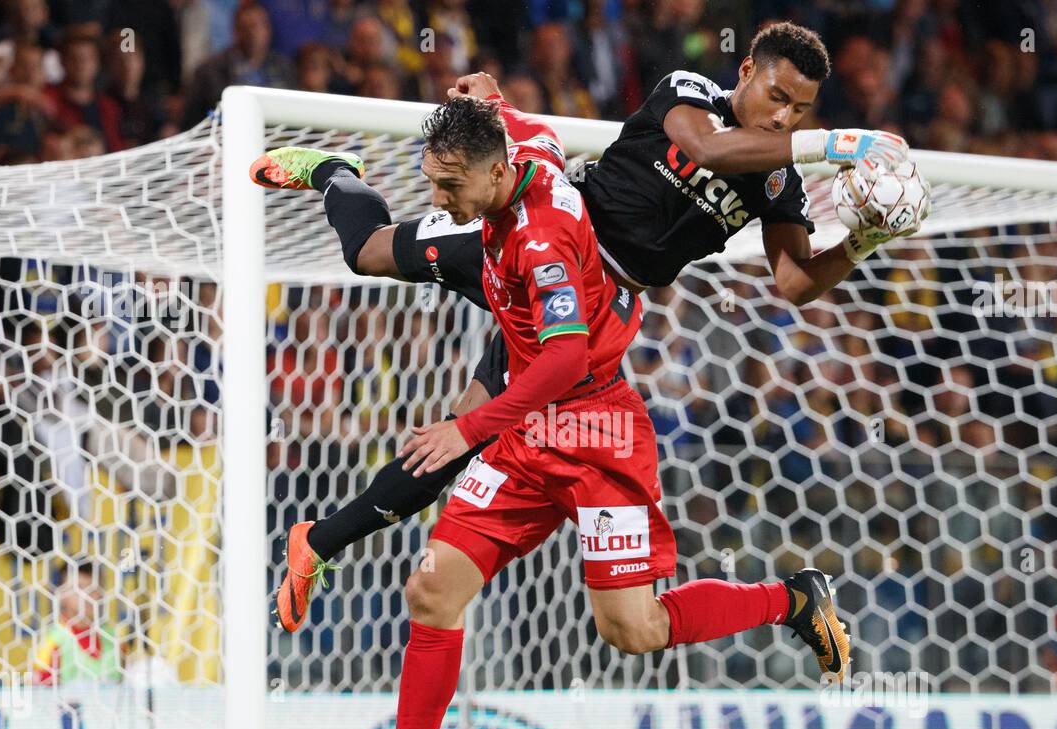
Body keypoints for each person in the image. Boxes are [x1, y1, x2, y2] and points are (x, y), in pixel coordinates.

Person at [250, 22, 927, 658]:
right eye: (776, 96)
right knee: (367, 252)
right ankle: (334, 171)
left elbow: (793, 281)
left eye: (800, 111)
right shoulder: (689, 92)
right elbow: (707, 149)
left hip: (588, 310)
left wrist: (861, 241)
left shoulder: (778, 177)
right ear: (745, 70)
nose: (783, 118)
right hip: (542, 239)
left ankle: (320, 541)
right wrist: (838, 145)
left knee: (466, 430)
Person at [300, 94, 849, 729]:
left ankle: (790, 601)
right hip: (530, 432)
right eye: (434, 182)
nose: (439, 198)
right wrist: (483, 93)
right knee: (432, 588)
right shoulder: (521, 152)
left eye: (449, 185)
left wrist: (468, 426)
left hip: (597, 432)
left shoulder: (543, 240)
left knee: (633, 629)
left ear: (496, 175)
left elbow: (562, 359)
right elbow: (515, 115)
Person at [33, 560, 123, 686]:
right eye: (79, 588)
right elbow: (42, 697)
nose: (87, 595)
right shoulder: (53, 642)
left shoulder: (114, 638)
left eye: (93, 588)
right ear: (61, 594)